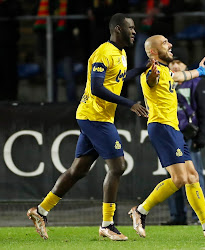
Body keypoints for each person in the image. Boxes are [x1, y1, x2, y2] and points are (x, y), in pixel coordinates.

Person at [27, 13, 148, 241]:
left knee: (78, 170)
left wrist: (142, 68)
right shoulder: (103, 52)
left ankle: (40, 211)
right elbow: (96, 88)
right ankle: (108, 224)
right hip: (95, 117)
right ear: (117, 29)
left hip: (97, 116)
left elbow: (120, 78)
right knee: (118, 167)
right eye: (130, 27)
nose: (134, 31)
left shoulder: (121, 54)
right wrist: (129, 103)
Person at [128, 35, 205, 239]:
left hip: (173, 129)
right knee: (179, 179)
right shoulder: (153, 72)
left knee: (192, 176)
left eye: (169, 42)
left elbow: (179, 77)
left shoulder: (168, 72)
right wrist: (152, 73)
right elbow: (153, 78)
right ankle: (140, 211)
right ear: (153, 52)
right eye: (165, 43)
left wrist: (199, 71)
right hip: (162, 128)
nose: (170, 45)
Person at [162, 51, 205, 225]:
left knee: (194, 176)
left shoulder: (195, 83)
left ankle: (199, 217)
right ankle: (177, 216)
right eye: (173, 62)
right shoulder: (164, 81)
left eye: (179, 63)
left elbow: (204, 111)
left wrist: (202, 136)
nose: (175, 66)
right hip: (169, 135)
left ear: (185, 67)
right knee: (173, 177)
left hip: (189, 136)